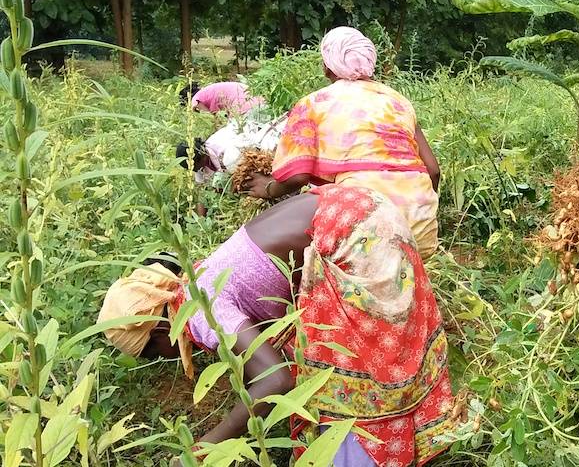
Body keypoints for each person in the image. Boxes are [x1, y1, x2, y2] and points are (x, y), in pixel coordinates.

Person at [97, 185, 455, 465]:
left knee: (351, 373)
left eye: (155, 354)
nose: (166, 360)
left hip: (353, 234)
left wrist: (204, 448)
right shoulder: (199, 280)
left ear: (160, 330)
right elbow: (264, 358)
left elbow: (276, 379)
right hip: (361, 204)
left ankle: (365, 456)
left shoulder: (197, 310)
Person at [242, 26, 441, 257]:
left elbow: (298, 177)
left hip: (366, 226)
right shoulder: (399, 102)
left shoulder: (313, 103)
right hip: (420, 231)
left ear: (326, 67)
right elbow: (433, 171)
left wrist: (268, 189)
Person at [175, 115, 286, 187]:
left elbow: (252, 159)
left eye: (196, 166)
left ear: (202, 156)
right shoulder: (199, 166)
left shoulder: (224, 147)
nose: (198, 170)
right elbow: (201, 189)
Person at [181, 81, 266, 115]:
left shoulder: (195, 100)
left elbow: (208, 117)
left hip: (243, 104)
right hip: (255, 96)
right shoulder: (206, 91)